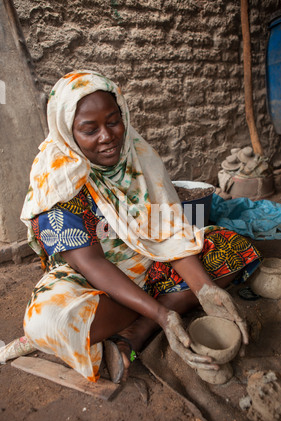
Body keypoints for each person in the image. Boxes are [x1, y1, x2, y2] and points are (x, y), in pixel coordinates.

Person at [17, 70, 262, 384]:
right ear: (67, 131)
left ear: (123, 115)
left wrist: (206, 290)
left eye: (113, 121)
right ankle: (157, 313)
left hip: (153, 262)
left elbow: (169, 233)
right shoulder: (57, 180)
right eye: (89, 129)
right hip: (95, 280)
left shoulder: (138, 154)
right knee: (47, 322)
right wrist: (162, 314)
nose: (107, 137)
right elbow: (92, 264)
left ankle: (139, 330)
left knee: (231, 247)